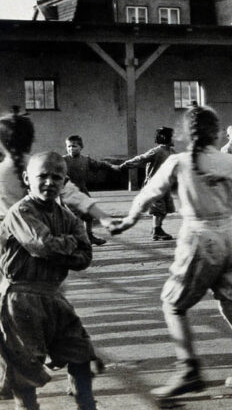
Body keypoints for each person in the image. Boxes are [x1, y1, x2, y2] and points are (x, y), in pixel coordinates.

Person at [110, 105, 232, 399]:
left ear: (185, 134)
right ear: (217, 134)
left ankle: (188, 369)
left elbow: (147, 195)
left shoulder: (179, 162)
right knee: (230, 304)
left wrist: (127, 222)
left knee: (173, 305)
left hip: (201, 239)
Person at [0, 152, 97, 410]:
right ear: (26, 179)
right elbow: (42, 246)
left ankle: (86, 405)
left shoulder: (68, 217)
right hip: (20, 296)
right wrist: (70, 243)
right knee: (26, 362)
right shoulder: (20, 211)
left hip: (53, 295)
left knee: (79, 350)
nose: (49, 182)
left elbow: (85, 258)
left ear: (64, 181)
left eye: (57, 177)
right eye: (42, 176)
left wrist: (61, 247)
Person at [120, 127, 176, 241]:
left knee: (166, 209)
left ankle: (157, 228)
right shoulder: (157, 151)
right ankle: (156, 230)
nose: (175, 138)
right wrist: (126, 164)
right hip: (154, 185)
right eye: (173, 136)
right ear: (165, 137)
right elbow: (141, 158)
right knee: (158, 209)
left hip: (166, 185)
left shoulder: (172, 152)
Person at [63, 134, 120, 246]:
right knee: (74, 216)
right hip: (68, 193)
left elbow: (99, 164)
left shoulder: (86, 160)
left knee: (89, 214)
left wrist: (112, 167)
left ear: (81, 147)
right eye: (68, 146)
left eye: (74, 146)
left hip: (82, 190)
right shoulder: (62, 160)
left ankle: (89, 236)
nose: (71, 149)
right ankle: (75, 240)